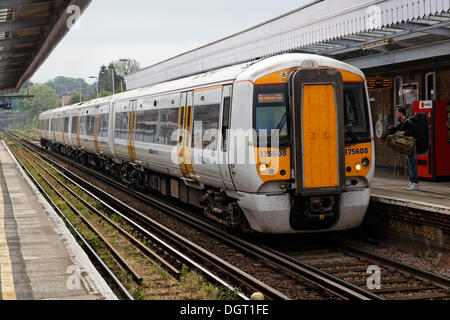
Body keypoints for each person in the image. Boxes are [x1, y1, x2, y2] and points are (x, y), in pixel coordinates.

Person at [388, 108, 419, 191]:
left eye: (397, 112)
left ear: (401, 113)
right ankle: (412, 182)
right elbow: (396, 128)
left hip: (412, 146)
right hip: (408, 147)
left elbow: (414, 132)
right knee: (410, 164)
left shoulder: (408, 122)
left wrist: (404, 133)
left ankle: (415, 183)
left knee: (412, 164)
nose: (396, 114)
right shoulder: (402, 122)